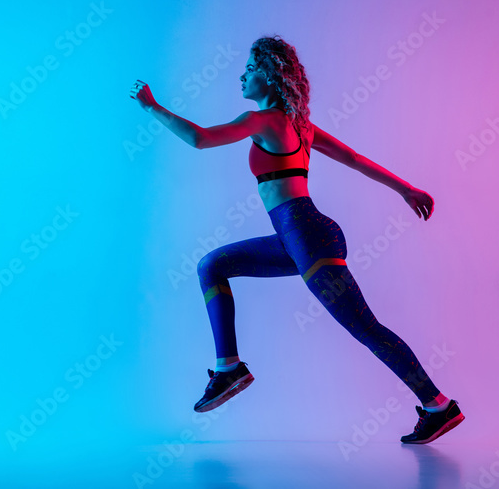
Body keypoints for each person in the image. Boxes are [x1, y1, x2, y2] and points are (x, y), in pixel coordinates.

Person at [128, 35, 464, 444]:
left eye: (251, 69)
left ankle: (438, 405)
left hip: (307, 236)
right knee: (212, 265)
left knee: (364, 327)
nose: (242, 75)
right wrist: (405, 189)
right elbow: (355, 160)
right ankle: (228, 367)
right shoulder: (300, 127)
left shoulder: (263, 121)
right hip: (298, 237)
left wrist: (153, 107)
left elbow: (200, 138)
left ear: (271, 75)